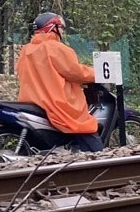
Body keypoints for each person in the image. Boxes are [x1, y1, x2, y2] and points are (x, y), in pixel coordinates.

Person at [14, 12, 103, 152]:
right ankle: (99, 161)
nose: (62, 31)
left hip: (32, 103)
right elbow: (75, 73)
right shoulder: (57, 49)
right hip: (56, 103)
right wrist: (97, 73)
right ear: (53, 27)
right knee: (85, 127)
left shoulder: (26, 50)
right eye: (61, 27)